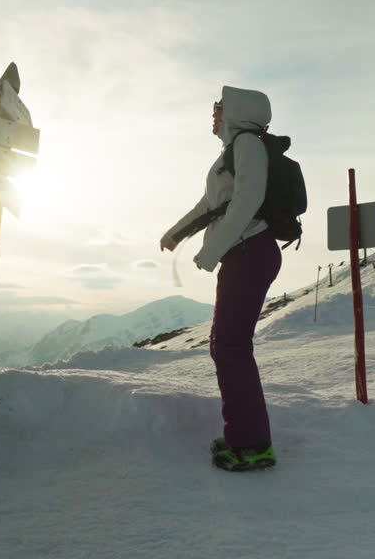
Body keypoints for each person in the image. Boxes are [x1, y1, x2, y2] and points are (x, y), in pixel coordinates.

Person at [160, 86, 280, 472]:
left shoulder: (247, 143)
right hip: (243, 254)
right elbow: (210, 205)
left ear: (237, 112)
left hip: (251, 253)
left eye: (219, 108)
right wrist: (177, 233)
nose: (214, 114)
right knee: (226, 346)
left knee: (230, 347)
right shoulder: (230, 153)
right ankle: (243, 435)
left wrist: (209, 253)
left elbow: (248, 201)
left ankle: (254, 445)